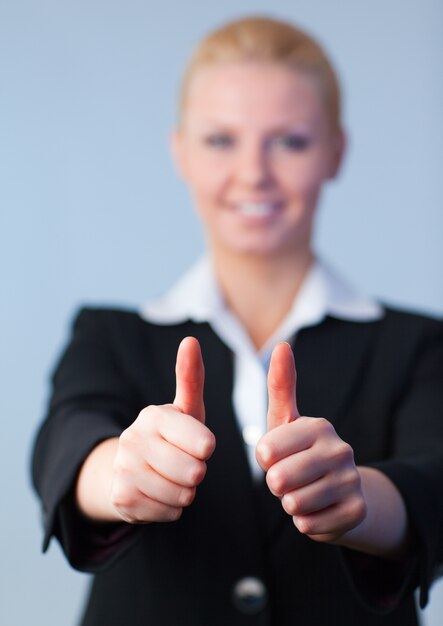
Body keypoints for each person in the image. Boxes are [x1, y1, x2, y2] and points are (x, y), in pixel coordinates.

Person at [32, 15, 443, 626]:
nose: (254, 172)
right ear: (181, 153)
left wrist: (361, 500)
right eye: (221, 140)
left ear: (336, 151)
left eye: (290, 141)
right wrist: (119, 468)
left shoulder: (417, 345)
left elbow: (435, 483)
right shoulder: (109, 334)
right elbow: (65, 440)